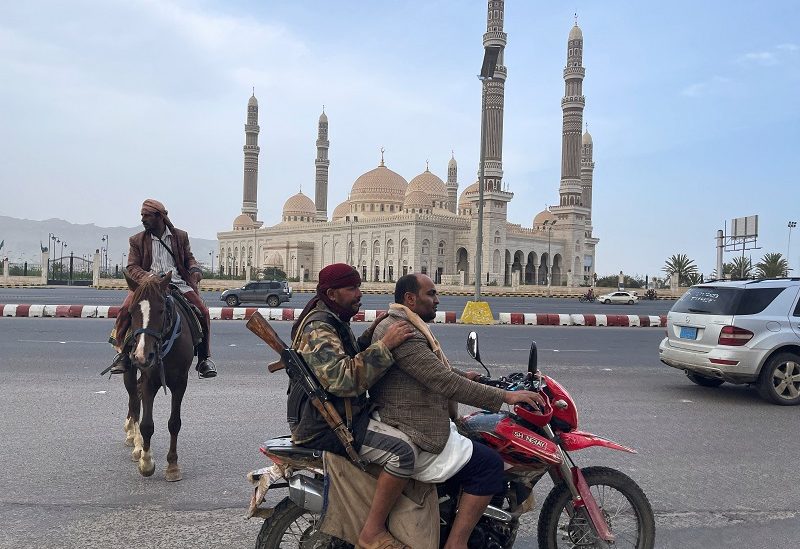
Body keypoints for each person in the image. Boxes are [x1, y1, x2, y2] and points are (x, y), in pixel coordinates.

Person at [371, 273, 544, 549]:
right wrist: (506, 397)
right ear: (410, 299)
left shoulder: (403, 323)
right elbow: (442, 381)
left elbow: (433, 369)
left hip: (412, 416)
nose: (437, 300)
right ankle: (457, 542)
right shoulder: (404, 332)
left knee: (478, 441)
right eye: (431, 294)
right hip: (414, 426)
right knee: (489, 464)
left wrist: (469, 377)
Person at [289, 263, 416, 549]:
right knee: (403, 453)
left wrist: (371, 335)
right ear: (332, 293)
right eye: (352, 289)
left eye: (358, 287)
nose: (359, 294)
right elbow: (343, 378)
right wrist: (384, 345)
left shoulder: (334, 317)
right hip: (326, 424)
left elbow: (345, 354)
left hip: (342, 412)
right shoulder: (318, 327)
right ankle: (372, 532)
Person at [106, 199, 217, 378]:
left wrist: (195, 270)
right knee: (126, 309)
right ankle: (122, 353)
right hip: (147, 286)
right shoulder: (137, 240)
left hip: (176, 283)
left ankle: (204, 359)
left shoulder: (180, 237)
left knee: (202, 311)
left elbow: (189, 258)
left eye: (147, 216)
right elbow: (132, 267)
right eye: (142, 215)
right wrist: (149, 277)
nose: (143, 219)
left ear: (160, 217)